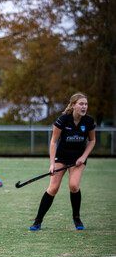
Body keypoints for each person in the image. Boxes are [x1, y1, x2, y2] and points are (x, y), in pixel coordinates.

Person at [30, 93, 96, 231]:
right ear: (73, 105)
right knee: (53, 188)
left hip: (78, 158)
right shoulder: (63, 120)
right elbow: (53, 142)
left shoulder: (89, 121)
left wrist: (83, 157)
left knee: (73, 186)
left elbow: (92, 140)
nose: (84, 107)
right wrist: (52, 164)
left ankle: (76, 218)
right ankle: (37, 221)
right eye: (81, 104)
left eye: (86, 104)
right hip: (61, 157)